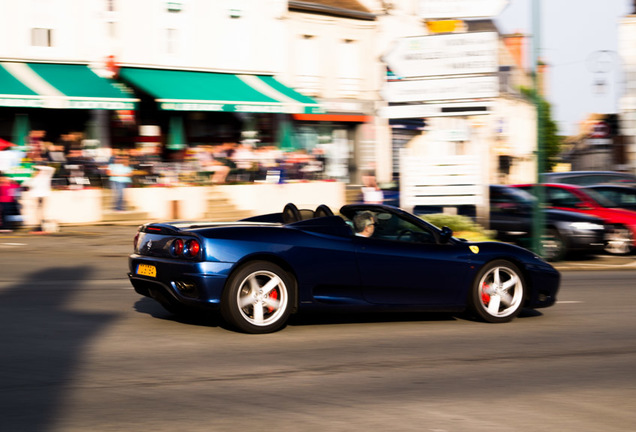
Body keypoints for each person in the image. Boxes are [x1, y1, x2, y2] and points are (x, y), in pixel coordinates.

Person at [26, 165, 55, 232]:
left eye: (37, 171)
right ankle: (39, 225)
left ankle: (42, 225)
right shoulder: (34, 179)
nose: (35, 173)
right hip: (36, 196)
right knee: (37, 212)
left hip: (43, 196)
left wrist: (37, 167)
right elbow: (28, 185)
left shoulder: (45, 176)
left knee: (41, 212)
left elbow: (51, 169)